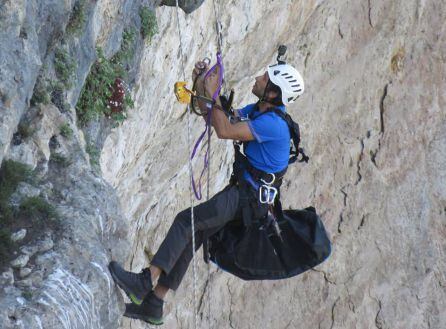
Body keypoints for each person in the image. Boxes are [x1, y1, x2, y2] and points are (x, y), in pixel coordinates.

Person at [108, 59, 305, 325]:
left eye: (265, 78)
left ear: (273, 92)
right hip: (246, 195)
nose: (258, 77)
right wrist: (202, 85)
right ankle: (155, 303)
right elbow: (214, 116)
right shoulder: (259, 111)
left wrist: (212, 94)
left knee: (185, 221)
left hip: (246, 199)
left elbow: (224, 130)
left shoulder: (273, 124)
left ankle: (144, 281)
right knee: (195, 232)